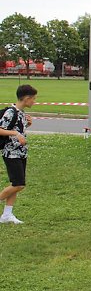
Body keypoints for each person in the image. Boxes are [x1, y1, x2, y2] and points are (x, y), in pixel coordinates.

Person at [0, 84, 37, 224]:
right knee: (19, 184)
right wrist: (16, 133)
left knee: (15, 184)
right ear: (26, 98)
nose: (34, 101)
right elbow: (1, 129)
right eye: (33, 99)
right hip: (11, 153)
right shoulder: (11, 112)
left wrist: (27, 125)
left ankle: (7, 215)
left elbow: (18, 129)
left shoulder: (21, 113)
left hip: (21, 153)